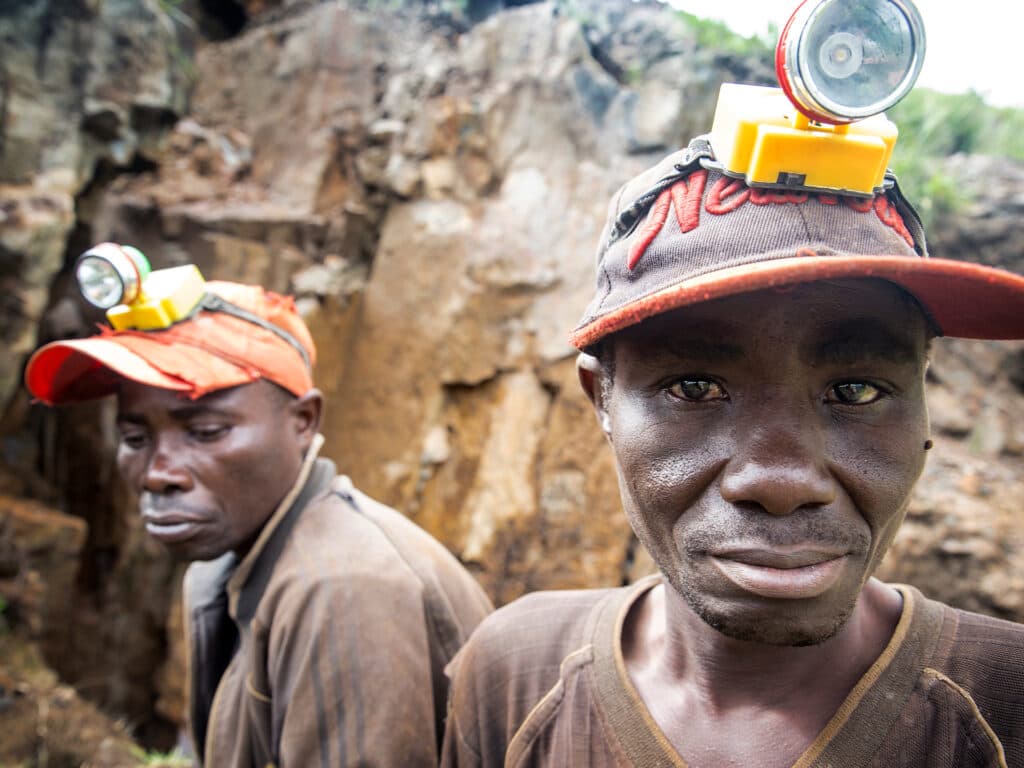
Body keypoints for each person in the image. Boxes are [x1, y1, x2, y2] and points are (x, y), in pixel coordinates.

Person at [440, 138, 1024, 767]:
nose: (781, 481)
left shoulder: (1007, 707)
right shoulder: (514, 672)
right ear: (601, 398)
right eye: (694, 387)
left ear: (924, 412)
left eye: (856, 390)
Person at [25, 277, 493, 767]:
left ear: (303, 421)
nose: (160, 474)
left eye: (206, 431)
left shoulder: (343, 590)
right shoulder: (223, 565)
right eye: (136, 439)